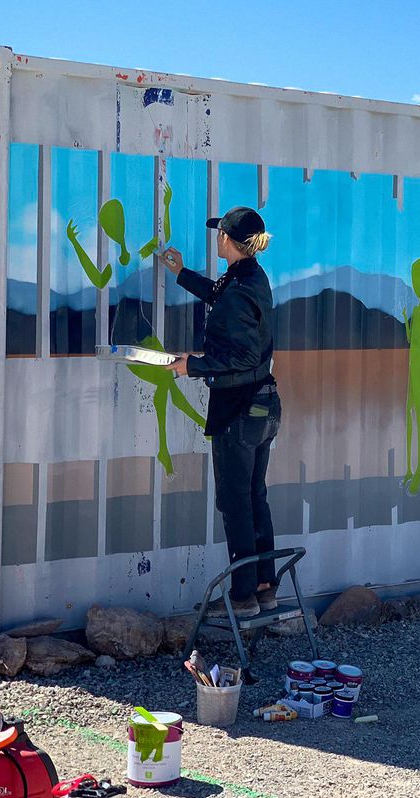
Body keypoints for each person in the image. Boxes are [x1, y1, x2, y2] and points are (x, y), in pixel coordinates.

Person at [161, 206, 280, 618]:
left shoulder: (242, 286)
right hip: (262, 408)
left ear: (228, 240)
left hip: (239, 410)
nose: (216, 238)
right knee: (254, 496)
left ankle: (243, 597)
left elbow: (244, 356)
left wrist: (192, 364)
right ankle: (265, 585)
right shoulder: (249, 276)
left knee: (235, 502)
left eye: (219, 234)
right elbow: (219, 295)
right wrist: (181, 273)